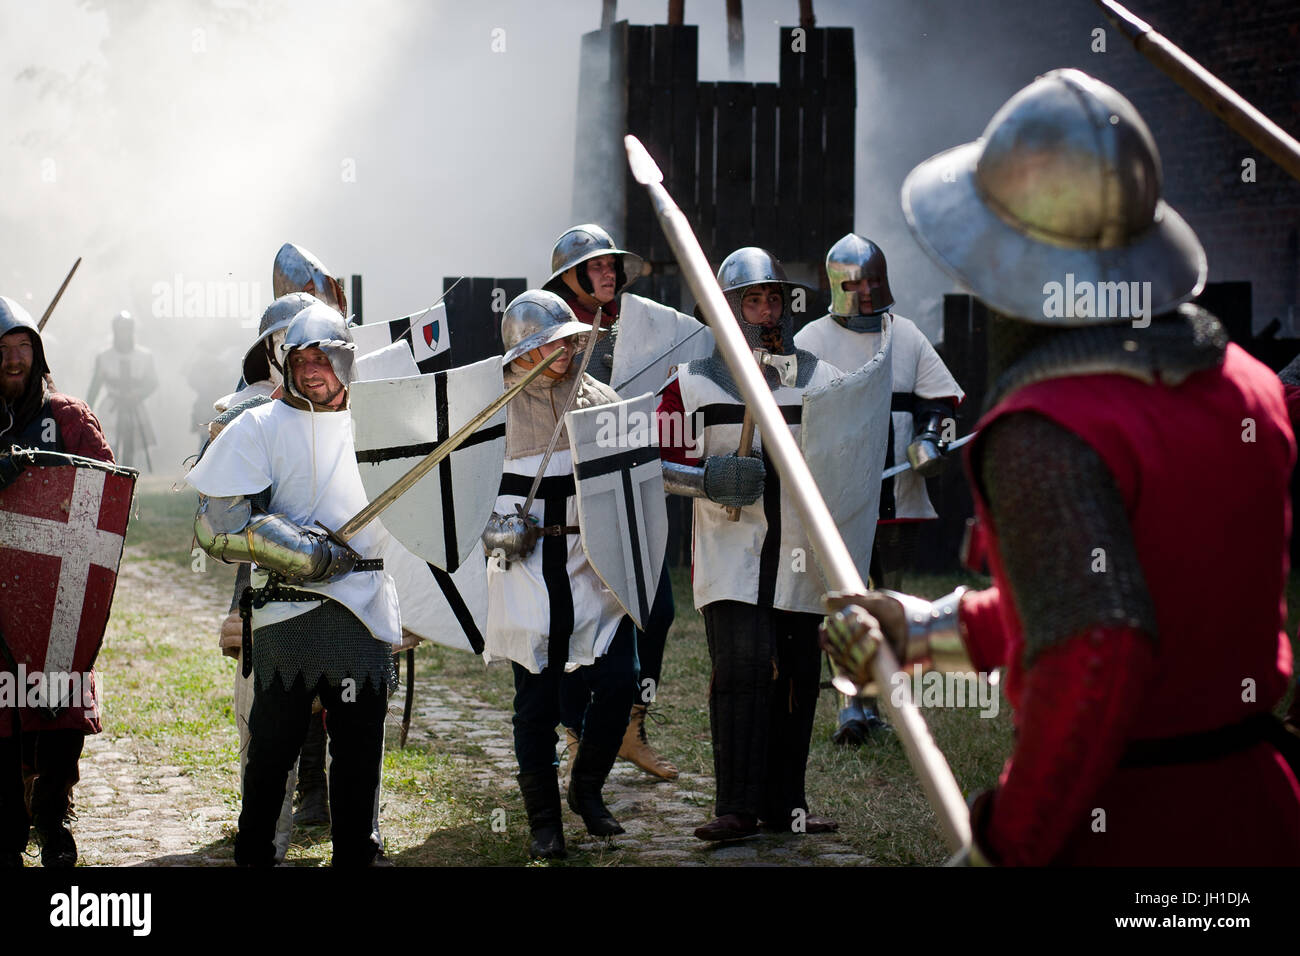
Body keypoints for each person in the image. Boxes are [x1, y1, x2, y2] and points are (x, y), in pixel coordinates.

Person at [821, 68, 1300, 865]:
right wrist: (931, 630)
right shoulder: (1248, 387)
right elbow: (1111, 589)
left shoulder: (1049, 429)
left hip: (1136, 829)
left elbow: (1096, 645)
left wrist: (1005, 847)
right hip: (1263, 814)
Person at [187, 301, 398, 866]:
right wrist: (303, 554)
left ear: (345, 360)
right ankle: (255, 854)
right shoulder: (259, 423)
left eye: (323, 357)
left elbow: (427, 514)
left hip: (364, 612)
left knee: (358, 752)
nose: (311, 370)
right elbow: (216, 522)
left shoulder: (385, 421)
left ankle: (358, 852)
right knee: (272, 752)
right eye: (300, 359)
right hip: (285, 611)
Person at [657, 248, 843, 841]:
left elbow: (849, 459)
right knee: (740, 671)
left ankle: (787, 805)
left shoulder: (822, 380)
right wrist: (705, 478)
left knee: (796, 675)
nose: (766, 311)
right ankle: (737, 806)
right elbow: (654, 461)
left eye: (773, 299)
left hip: (799, 561)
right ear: (726, 309)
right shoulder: (692, 383)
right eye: (751, 300)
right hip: (731, 555)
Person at [481, 289, 638, 859]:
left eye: (568, 341)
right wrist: (494, 528)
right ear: (521, 351)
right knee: (537, 702)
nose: (565, 353)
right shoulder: (490, 408)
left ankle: (587, 790)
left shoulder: (599, 399)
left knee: (622, 678)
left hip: (595, 564)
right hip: (525, 568)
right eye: (550, 345)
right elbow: (467, 497)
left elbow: (634, 481)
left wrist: (704, 478)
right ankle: (544, 821)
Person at [795, 234, 964, 744]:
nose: (866, 291)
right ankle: (852, 703)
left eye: (873, 280)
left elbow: (940, 399)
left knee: (885, 600)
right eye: (855, 282)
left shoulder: (905, 336)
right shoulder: (811, 342)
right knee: (849, 599)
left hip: (897, 496)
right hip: (840, 496)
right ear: (837, 285)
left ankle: (876, 700)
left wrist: (930, 438)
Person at [543, 224, 678, 780]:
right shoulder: (551, 332)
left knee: (658, 609)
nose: (608, 274)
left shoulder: (639, 330)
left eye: (611, 266)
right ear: (571, 277)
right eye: (595, 267)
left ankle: (629, 726)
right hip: (572, 499)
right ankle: (576, 733)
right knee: (582, 618)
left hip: (631, 489)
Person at [0, 295, 114, 867]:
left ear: (38, 353)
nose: (14, 359)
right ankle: (9, 820)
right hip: (0, 595)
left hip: (57, 593)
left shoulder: (67, 415)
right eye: (3, 350)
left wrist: (49, 473)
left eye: (23, 347)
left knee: (59, 704)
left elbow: (104, 485)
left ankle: (52, 813)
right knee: (4, 708)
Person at [87, 311, 157, 470]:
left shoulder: (144, 356)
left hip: (134, 407)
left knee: (130, 447)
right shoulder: (104, 356)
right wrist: (87, 411)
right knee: (109, 445)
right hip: (112, 408)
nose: (124, 334)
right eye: (121, 330)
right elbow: (94, 388)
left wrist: (138, 395)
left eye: (127, 329)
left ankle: (127, 479)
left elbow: (152, 382)